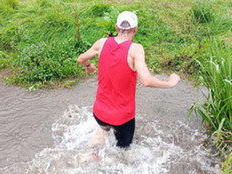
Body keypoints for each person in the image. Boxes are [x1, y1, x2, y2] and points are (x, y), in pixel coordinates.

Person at [77, 11, 180, 149]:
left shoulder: (102, 43)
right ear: (135, 29)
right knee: (123, 151)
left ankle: (94, 152)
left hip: (99, 112)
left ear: (116, 27)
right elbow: (147, 80)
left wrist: (88, 66)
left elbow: (81, 59)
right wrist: (169, 83)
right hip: (122, 117)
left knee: (103, 129)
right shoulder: (135, 49)